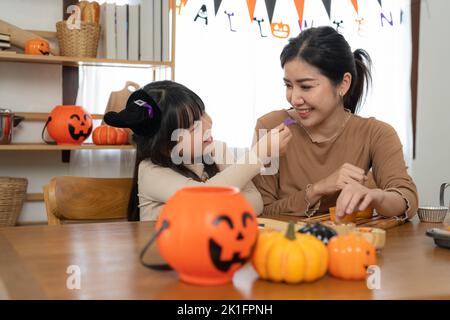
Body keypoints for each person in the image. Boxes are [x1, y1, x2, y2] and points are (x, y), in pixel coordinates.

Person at [252, 26, 418, 220]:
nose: (294, 98)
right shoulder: (270, 127)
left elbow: (407, 197)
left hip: (349, 245)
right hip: (287, 247)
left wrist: (375, 197)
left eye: (306, 86)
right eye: (288, 85)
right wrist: (317, 189)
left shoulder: (377, 133)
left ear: (343, 84)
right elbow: (262, 210)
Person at [104, 80, 292, 221]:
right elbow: (204, 198)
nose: (207, 126)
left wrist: (207, 210)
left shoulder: (218, 150)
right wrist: (257, 157)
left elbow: (255, 202)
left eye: (202, 114)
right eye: (193, 128)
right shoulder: (150, 171)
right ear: (164, 145)